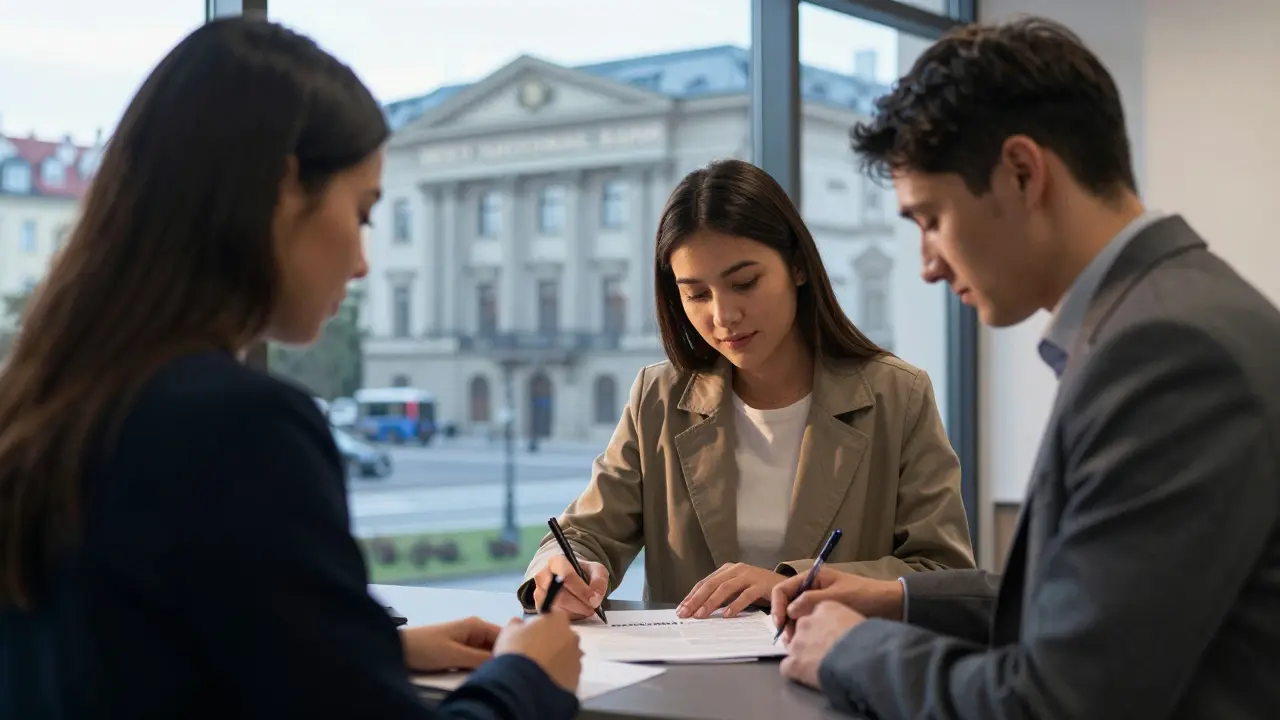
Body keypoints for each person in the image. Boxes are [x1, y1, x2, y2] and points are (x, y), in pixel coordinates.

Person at [0, 17, 581, 720]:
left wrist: (370, 647)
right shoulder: (241, 426)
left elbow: (131, 649)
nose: (363, 261)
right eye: (363, 213)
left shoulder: (47, 401)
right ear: (283, 186)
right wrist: (527, 676)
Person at [772, 16, 1280, 720]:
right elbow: (1091, 602)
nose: (927, 266)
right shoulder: (1166, 315)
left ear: (1021, 172)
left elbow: (1061, 701)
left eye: (930, 219)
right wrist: (894, 597)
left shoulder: (1169, 352)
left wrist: (850, 651)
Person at [518, 158, 975, 620]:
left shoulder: (897, 396)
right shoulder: (658, 396)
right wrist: (561, 569)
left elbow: (940, 573)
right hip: (689, 681)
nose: (723, 316)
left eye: (744, 283)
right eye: (697, 294)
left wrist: (791, 586)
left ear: (797, 267)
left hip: (837, 673)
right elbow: (584, 534)